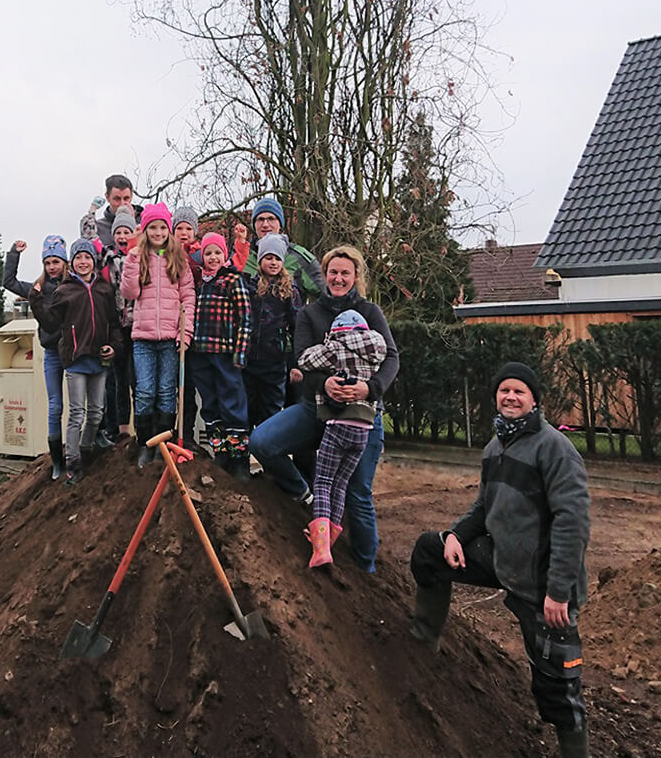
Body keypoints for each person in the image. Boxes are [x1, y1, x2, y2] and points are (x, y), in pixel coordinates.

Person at [408, 362, 591, 758]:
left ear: (534, 400)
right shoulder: (496, 447)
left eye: (519, 391)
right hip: (501, 560)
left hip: (544, 585)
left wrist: (558, 592)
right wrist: (455, 535)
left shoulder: (554, 449)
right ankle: (422, 645)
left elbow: (572, 523)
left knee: (557, 689)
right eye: (504, 390)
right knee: (430, 550)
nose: (510, 396)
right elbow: (483, 506)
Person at [249, 245, 398, 573]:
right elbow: (302, 356)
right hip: (316, 410)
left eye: (346, 273)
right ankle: (304, 494)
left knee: (358, 492)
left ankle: (365, 569)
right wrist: (323, 384)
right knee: (261, 442)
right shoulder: (310, 314)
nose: (339, 278)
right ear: (324, 275)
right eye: (333, 272)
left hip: (361, 415)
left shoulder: (371, 313)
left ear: (356, 277)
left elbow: (391, 357)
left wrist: (369, 389)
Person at [297, 310, 386, 568]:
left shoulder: (336, 347)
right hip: (364, 426)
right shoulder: (376, 348)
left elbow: (305, 360)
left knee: (323, 482)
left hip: (338, 423)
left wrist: (327, 345)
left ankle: (321, 548)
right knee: (341, 484)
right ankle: (330, 537)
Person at [29, 239, 121, 485]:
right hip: (75, 360)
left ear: (93, 261)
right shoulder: (64, 291)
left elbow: (113, 323)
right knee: (77, 413)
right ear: (72, 262)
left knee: (96, 412)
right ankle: (72, 462)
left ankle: (86, 449)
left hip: (99, 359)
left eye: (87, 257)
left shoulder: (104, 289)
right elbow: (50, 324)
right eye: (78, 258)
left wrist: (113, 347)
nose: (83, 262)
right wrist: (36, 301)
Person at [120, 202, 196, 466]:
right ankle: (145, 444)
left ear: (169, 229)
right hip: (143, 337)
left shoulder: (178, 258)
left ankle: (163, 443)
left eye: (162, 227)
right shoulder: (138, 256)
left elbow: (188, 297)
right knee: (144, 391)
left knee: (166, 391)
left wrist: (185, 333)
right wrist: (131, 261)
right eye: (153, 227)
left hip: (170, 338)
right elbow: (130, 293)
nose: (158, 232)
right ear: (146, 230)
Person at [3, 235, 69, 479]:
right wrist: (14, 254)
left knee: (79, 405)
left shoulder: (71, 284)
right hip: (52, 352)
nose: (52, 267)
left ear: (64, 262)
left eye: (56, 262)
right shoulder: (37, 289)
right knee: (55, 406)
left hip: (73, 351)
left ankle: (79, 452)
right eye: (48, 262)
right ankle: (57, 462)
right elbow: (8, 281)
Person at [189, 232, 252, 479]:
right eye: (208, 253)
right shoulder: (201, 283)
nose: (213, 257)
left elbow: (245, 318)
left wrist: (241, 352)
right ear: (202, 256)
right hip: (201, 352)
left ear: (224, 255)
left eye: (217, 253)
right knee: (211, 404)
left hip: (226, 353)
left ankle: (240, 458)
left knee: (232, 402)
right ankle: (221, 452)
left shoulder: (232, 280)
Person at [243, 233, 302, 432]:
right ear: (260, 260)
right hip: (249, 360)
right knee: (246, 410)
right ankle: (242, 457)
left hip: (275, 361)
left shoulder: (289, 290)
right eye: (269, 257)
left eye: (277, 258)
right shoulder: (250, 286)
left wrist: (295, 362)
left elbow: (297, 327)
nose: (273, 262)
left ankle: (271, 459)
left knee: (272, 412)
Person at [98, 206, 139, 448]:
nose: (123, 237)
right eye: (119, 232)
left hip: (137, 324)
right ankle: (121, 429)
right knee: (117, 379)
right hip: (116, 325)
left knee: (137, 379)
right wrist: (92, 211)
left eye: (127, 231)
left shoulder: (141, 254)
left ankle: (143, 429)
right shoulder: (107, 257)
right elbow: (90, 237)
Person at [231, 197, 324, 304]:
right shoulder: (242, 255)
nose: (265, 224)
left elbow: (327, 293)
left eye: (271, 219)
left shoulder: (299, 257)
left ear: (280, 223)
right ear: (254, 224)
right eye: (260, 219)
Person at [173, 205, 203, 446]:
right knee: (169, 387)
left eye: (188, 228)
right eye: (179, 228)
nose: (184, 232)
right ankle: (170, 430)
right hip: (171, 324)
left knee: (188, 385)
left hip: (195, 325)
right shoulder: (166, 254)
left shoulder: (200, 255)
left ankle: (188, 433)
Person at [80, 173, 142, 248]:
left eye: (126, 198)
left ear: (131, 196)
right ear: (107, 197)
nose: (122, 204)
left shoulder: (145, 223)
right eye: (117, 199)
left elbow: (159, 249)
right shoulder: (98, 228)